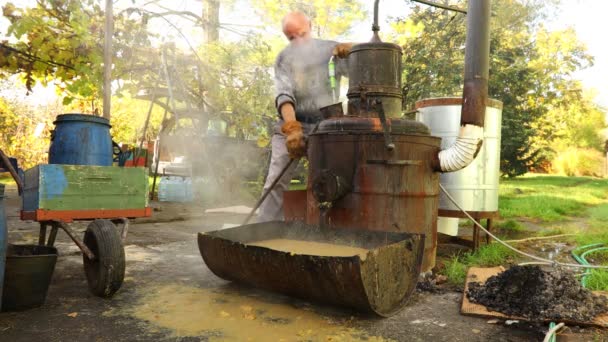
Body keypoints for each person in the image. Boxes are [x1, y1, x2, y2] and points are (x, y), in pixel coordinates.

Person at [257, 11, 352, 222]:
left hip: (325, 128)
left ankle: (335, 231)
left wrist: (355, 50)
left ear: (310, 26)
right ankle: (262, 231)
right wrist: (292, 126)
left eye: (302, 34)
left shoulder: (330, 50)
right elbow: (284, 94)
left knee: (334, 181)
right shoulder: (284, 58)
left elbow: (362, 69)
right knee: (276, 181)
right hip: (291, 125)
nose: (298, 41)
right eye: (292, 38)